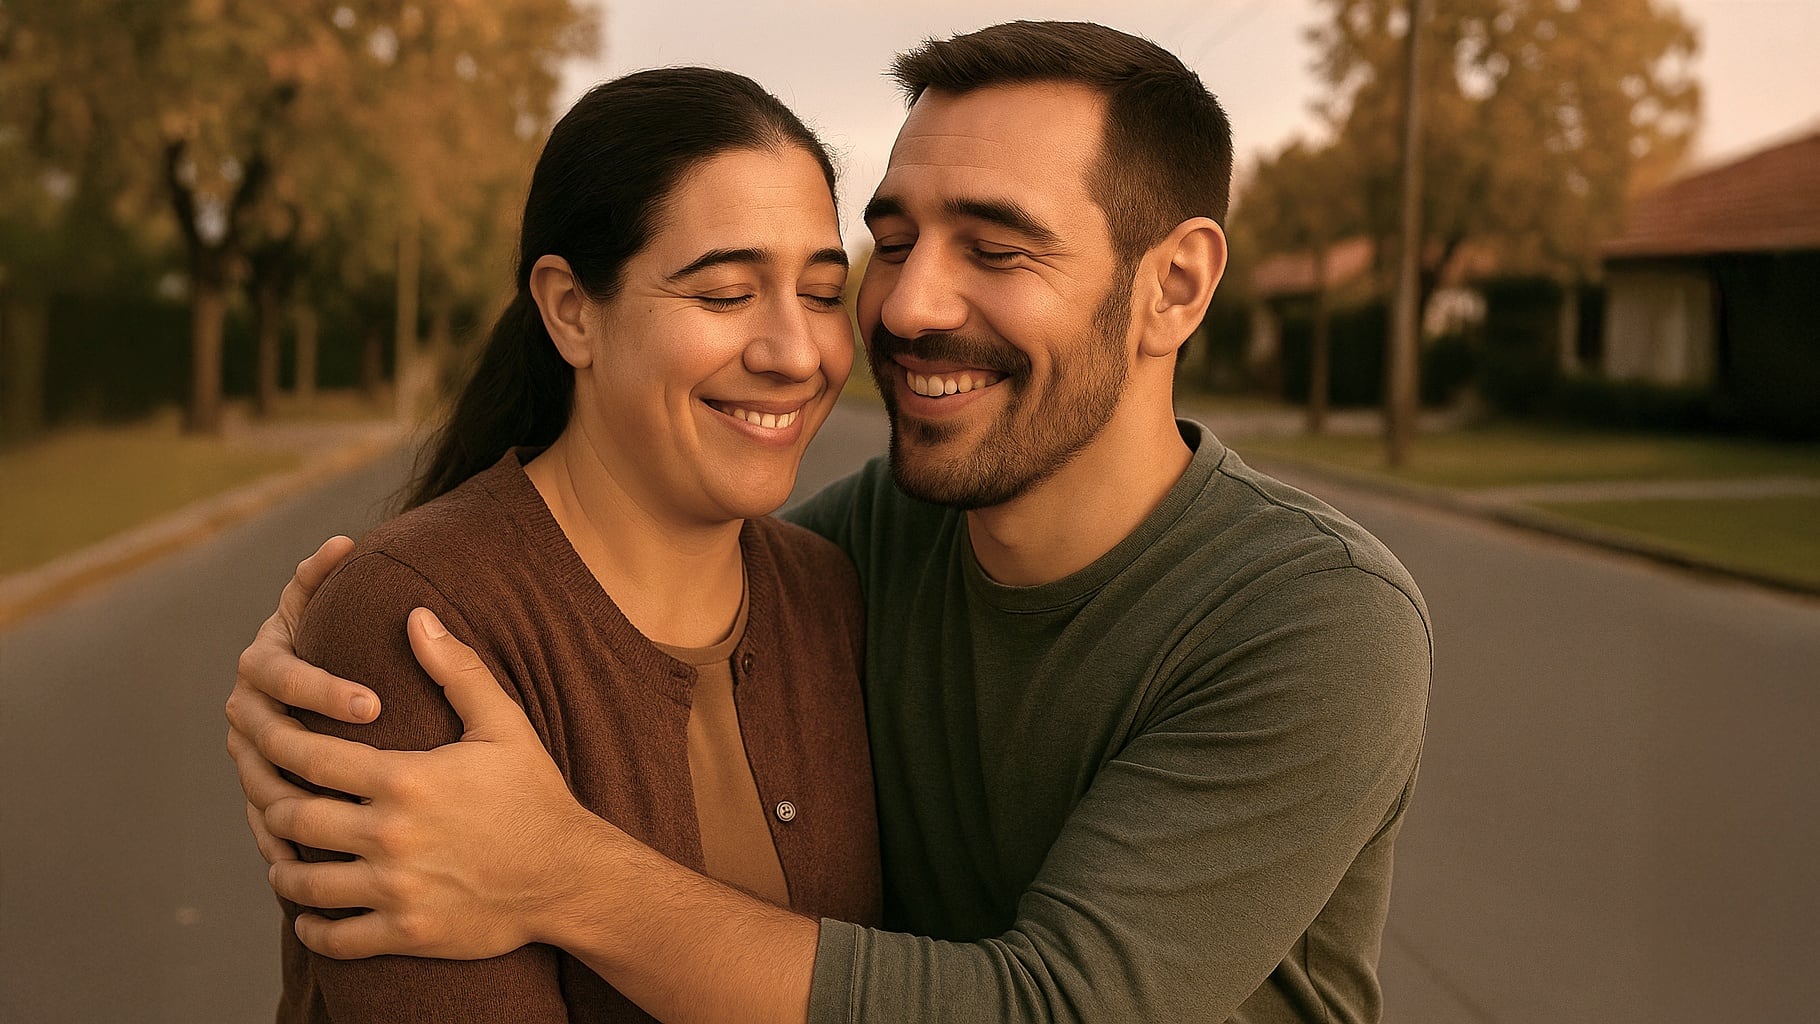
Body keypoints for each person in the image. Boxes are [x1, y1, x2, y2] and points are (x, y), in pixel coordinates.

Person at [229, 21, 1431, 1024]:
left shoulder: (1308, 617)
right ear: (569, 310)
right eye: (890, 240)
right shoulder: (852, 559)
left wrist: (559, 873)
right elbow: (600, 586)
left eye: (995, 247)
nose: (900, 306)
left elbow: (1058, 1008)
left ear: (1172, 285)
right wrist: (333, 652)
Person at [258, 67, 882, 1022]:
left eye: (823, 291)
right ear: (571, 311)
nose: (796, 353)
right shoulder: (418, 626)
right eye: (724, 293)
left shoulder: (832, 596)